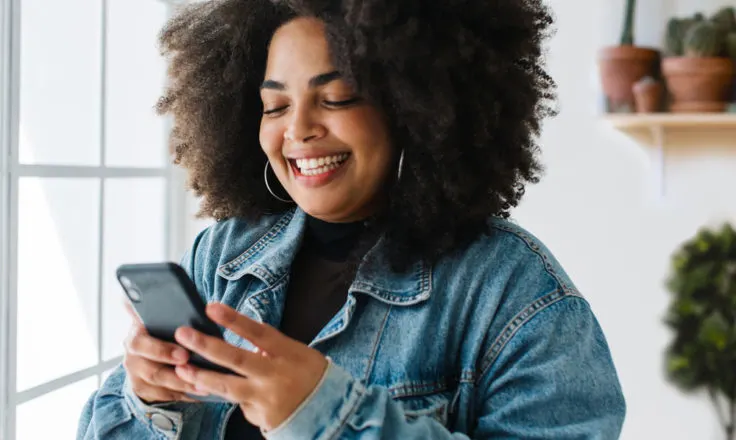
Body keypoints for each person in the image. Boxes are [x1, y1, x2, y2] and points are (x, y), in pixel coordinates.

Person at [77, 0, 626, 438]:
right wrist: (147, 399)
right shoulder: (220, 257)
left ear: (416, 107)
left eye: (336, 97)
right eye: (275, 106)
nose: (298, 129)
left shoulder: (515, 293)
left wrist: (326, 417)